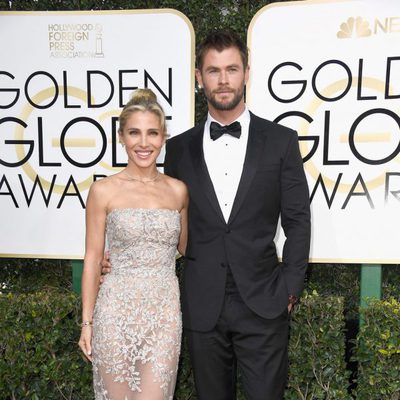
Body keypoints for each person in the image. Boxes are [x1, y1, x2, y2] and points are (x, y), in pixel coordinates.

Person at [104, 30, 310, 399]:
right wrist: (120, 257)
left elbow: (298, 220)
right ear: (199, 78)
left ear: (247, 73)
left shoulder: (281, 141)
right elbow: (162, 214)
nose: (224, 79)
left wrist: (289, 287)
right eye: (213, 71)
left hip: (264, 300)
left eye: (232, 69)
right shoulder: (180, 148)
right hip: (202, 304)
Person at [78, 88, 188, 400]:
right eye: (134, 133)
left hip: (164, 315)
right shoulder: (103, 191)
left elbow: (188, 248)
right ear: (121, 137)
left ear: (163, 137)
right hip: (115, 312)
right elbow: (92, 257)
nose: (143, 143)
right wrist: (87, 323)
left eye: (152, 133)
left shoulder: (178, 192)